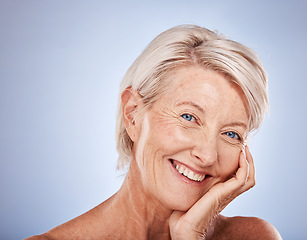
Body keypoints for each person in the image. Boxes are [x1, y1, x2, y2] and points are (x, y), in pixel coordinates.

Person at [26, 25, 282, 240]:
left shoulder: (254, 236)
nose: (207, 155)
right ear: (133, 114)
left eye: (231, 134)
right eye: (188, 117)